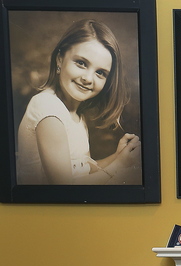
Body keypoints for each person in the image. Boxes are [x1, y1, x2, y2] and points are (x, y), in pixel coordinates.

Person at [16, 19, 142, 185]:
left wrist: (119, 155)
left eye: (100, 73)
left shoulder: (74, 113)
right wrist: (121, 164)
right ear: (59, 59)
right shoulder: (49, 110)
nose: (88, 78)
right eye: (81, 63)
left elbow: (82, 172)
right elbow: (67, 189)